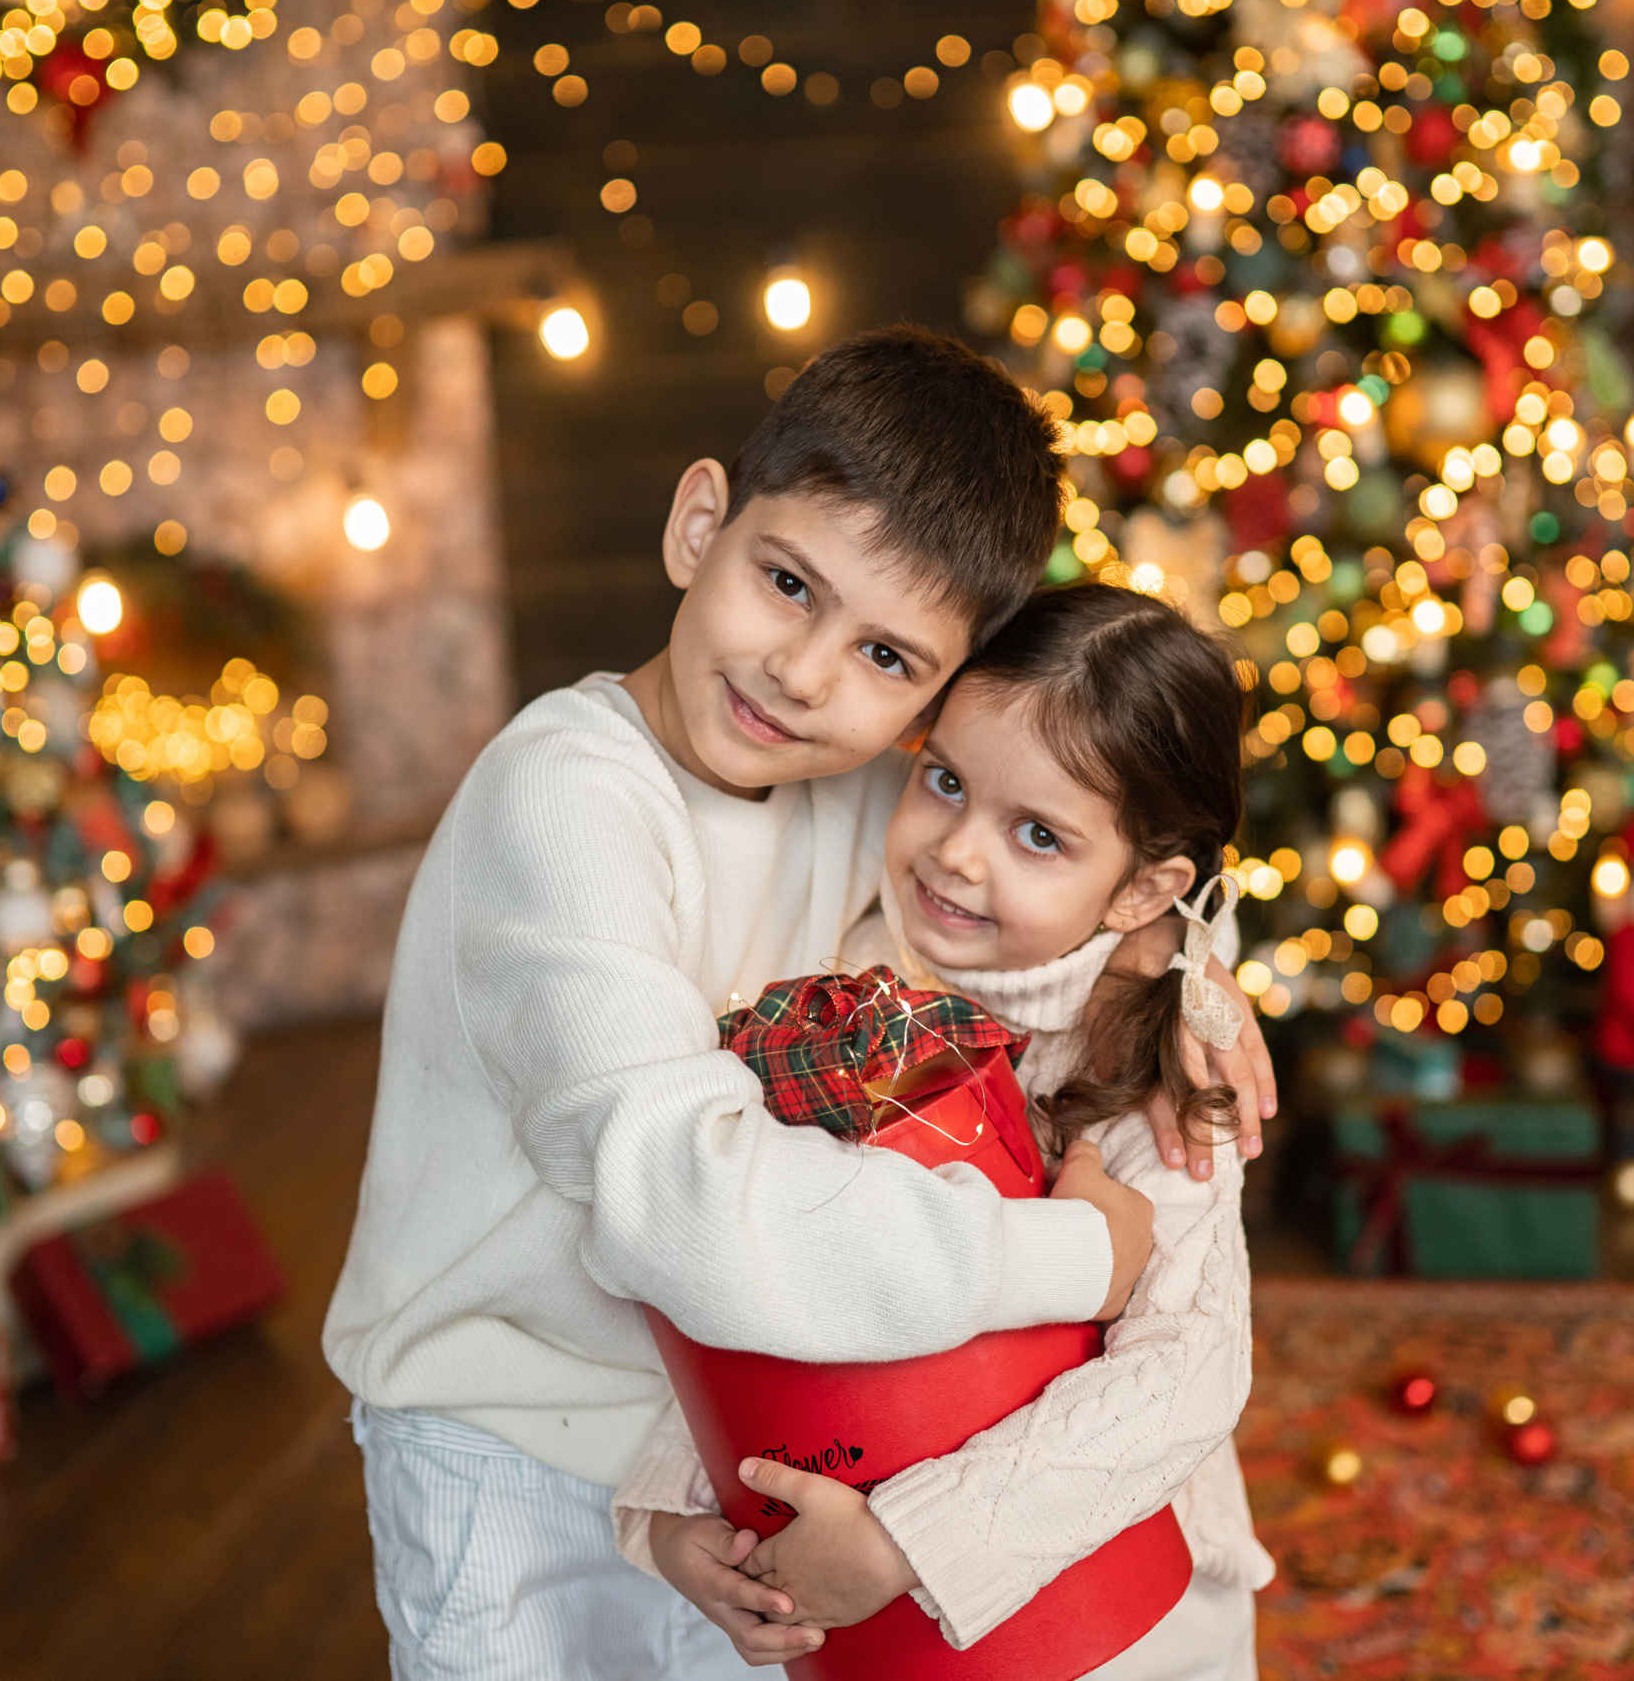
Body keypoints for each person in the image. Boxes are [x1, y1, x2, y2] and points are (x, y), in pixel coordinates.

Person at [321, 329, 1275, 1679]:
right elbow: (691, 1209)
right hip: (515, 1446)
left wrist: (1187, 978)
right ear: (699, 522)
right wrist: (1078, 1255)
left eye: (889, 656)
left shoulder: (871, 784)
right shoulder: (567, 803)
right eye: (786, 583)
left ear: (935, 700)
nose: (806, 672)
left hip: (740, 1433)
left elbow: (1069, 850)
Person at [617, 584, 1275, 1676]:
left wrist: (904, 1543)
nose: (958, 853)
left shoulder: (1156, 1064)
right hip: (861, 1608)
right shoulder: (836, 990)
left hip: (1114, 1615)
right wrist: (669, 1517)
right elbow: (759, 1256)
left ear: (1140, 891)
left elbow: (1187, 1372)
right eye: (944, 782)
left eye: (1036, 836)